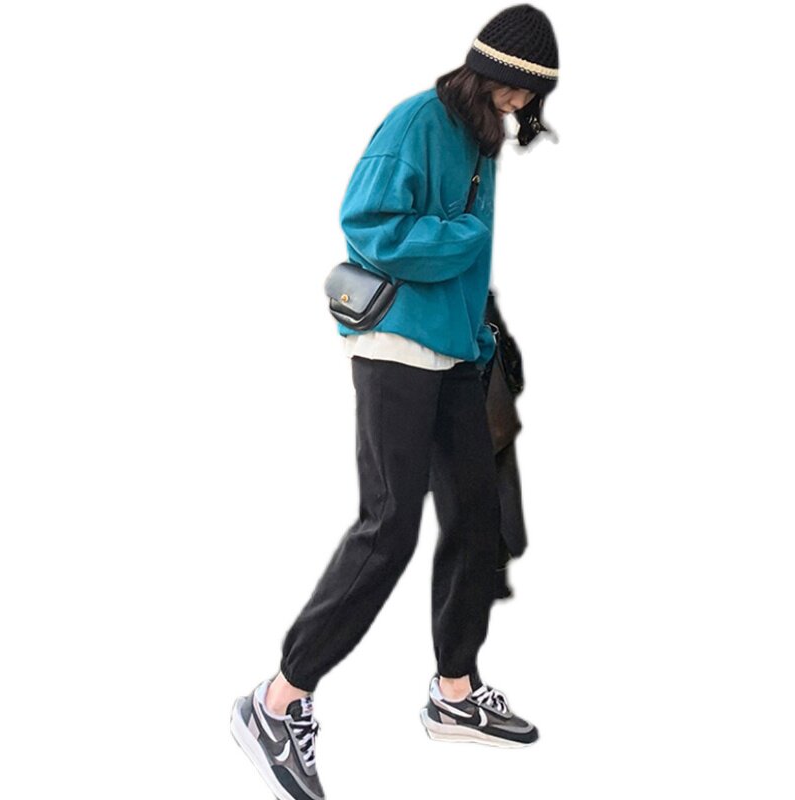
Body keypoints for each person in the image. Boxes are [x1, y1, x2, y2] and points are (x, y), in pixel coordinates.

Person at [230, 5, 559, 798]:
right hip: (396, 348)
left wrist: (480, 335)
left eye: (531, 97)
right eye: (518, 89)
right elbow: (366, 222)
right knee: (389, 529)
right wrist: (461, 236)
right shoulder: (416, 121)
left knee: (477, 516)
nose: (522, 105)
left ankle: (454, 693)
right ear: (493, 74)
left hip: (453, 350)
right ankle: (276, 703)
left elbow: (458, 259)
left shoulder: (481, 136)